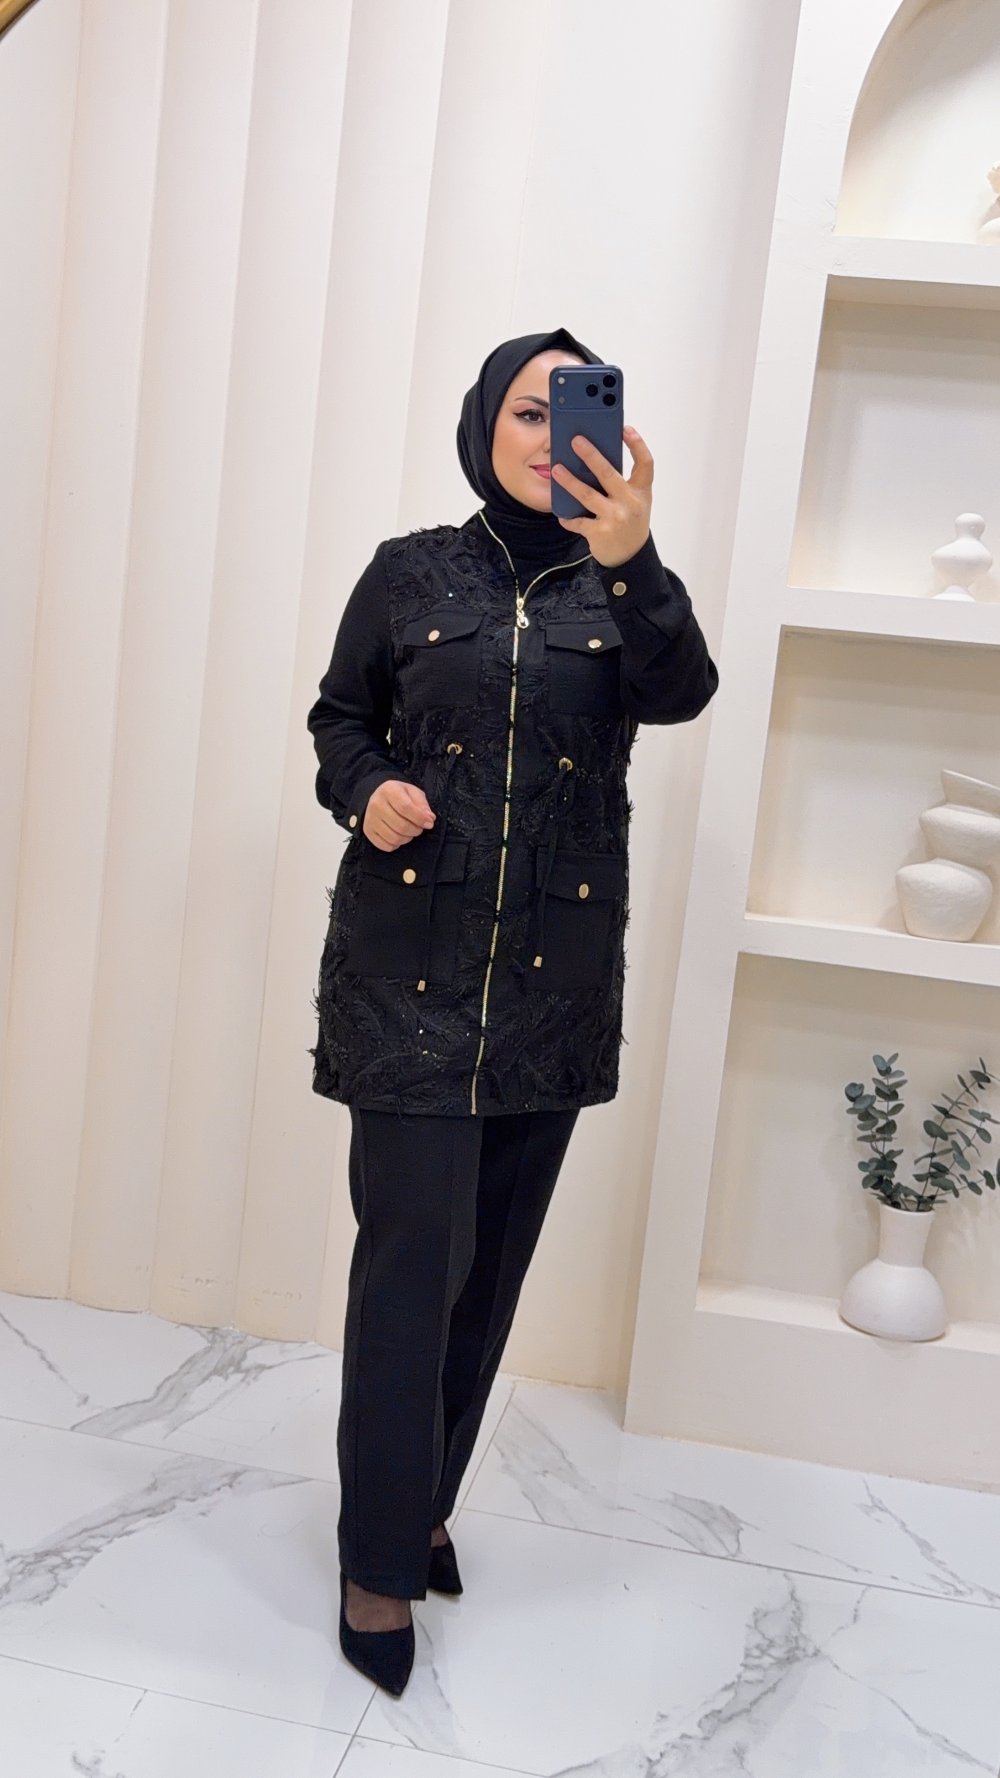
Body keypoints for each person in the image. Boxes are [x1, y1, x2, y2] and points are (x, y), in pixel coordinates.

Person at [306, 326, 719, 1695]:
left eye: (573, 411)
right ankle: (377, 1563)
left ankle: (423, 1503)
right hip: (407, 978)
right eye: (528, 411)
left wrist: (636, 560)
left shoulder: (625, 586)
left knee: (487, 1274)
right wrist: (366, 790)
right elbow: (338, 720)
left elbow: (684, 695)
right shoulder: (409, 570)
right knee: (409, 1269)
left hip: (551, 984)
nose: (550, 435)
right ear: (486, 423)